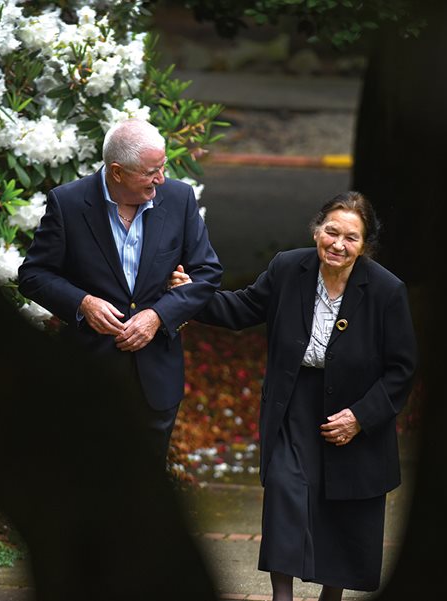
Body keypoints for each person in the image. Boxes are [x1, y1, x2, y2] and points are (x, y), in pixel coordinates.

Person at [170, 192, 416, 601]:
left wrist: (360, 416)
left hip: (353, 409)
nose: (338, 244)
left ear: (365, 245)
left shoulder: (386, 290)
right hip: (293, 402)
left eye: (350, 238)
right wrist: (191, 296)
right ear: (317, 230)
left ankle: (331, 596)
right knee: (285, 492)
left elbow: (401, 369)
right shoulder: (289, 268)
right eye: (331, 232)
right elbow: (242, 307)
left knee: (342, 505)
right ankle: (281, 596)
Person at [18, 118, 223, 470]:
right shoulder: (68, 204)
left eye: (162, 168)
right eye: (150, 172)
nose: (160, 179)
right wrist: (82, 303)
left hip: (155, 375)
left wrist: (158, 315)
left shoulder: (179, 198)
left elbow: (207, 272)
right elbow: (34, 274)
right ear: (116, 171)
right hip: (88, 374)